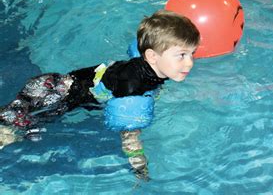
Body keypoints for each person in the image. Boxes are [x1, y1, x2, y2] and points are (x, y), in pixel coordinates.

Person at [0, 9, 200, 180]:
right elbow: (129, 133)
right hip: (58, 97)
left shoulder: (147, 57)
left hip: (59, 83)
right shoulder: (133, 91)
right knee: (12, 131)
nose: (190, 63)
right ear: (152, 56)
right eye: (182, 55)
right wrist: (139, 164)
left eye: (192, 53)